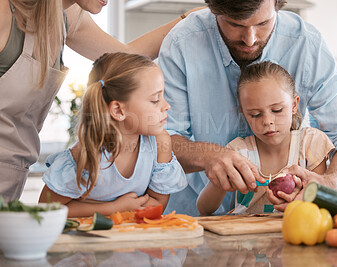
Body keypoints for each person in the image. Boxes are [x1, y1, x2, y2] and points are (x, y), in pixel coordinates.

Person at [158, 0, 337, 215]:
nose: (250, 39)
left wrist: (331, 183)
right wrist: (208, 156)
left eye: (263, 23)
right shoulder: (182, 42)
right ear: (212, 10)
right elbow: (161, 141)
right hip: (190, 218)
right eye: (235, 24)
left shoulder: (306, 44)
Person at [0, 0, 201, 203]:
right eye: (155, 99)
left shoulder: (68, 15)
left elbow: (127, 60)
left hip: (11, 175)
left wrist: (189, 19)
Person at [38, 52, 187, 217]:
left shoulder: (161, 144)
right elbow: (46, 208)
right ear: (118, 110)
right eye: (155, 100)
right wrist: (113, 208)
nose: (166, 106)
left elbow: (158, 202)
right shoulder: (87, 154)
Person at [196, 61, 335, 215]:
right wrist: (220, 181)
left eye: (277, 110)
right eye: (255, 114)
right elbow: (204, 208)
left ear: (294, 105)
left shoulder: (310, 144)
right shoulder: (238, 151)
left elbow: (322, 202)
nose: (267, 121)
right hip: (243, 234)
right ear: (243, 113)